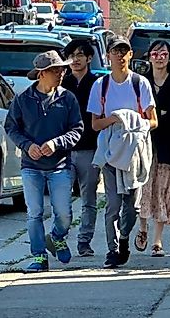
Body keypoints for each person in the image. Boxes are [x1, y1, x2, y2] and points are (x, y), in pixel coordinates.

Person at [5, 50, 84, 273]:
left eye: (62, 70)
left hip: (59, 166)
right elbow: (11, 127)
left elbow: (77, 129)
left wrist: (56, 143)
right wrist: (27, 145)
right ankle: (39, 256)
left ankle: (57, 236)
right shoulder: (23, 99)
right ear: (41, 74)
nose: (60, 74)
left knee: (64, 213)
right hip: (31, 166)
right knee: (34, 212)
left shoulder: (67, 98)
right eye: (55, 71)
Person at [88, 37, 158, 269]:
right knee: (112, 204)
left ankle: (125, 238)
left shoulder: (140, 83)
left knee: (132, 205)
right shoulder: (101, 85)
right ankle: (113, 248)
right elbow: (95, 125)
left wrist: (134, 123)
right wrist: (116, 119)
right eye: (115, 51)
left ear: (130, 55)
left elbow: (153, 121)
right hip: (110, 151)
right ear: (108, 55)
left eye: (124, 51)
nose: (119, 56)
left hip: (135, 152)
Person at [136, 40, 170, 257]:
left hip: (167, 145)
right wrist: (155, 115)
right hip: (144, 143)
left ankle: (157, 241)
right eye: (155, 53)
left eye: (163, 54)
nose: (159, 57)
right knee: (144, 187)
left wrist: (155, 115)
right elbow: (139, 109)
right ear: (149, 57)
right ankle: (142, 228)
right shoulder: (142, 82)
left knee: (163, 190)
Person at [61, 39, 101, 257]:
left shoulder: (97, 83)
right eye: (71, 55)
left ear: (89, 58)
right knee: (61, 199)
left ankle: (84, 241)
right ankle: (60, 239)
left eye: (79, 55)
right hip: (64, 150)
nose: (75, 60)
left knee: (89, 199)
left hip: (90, 148)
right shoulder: (61, 84)